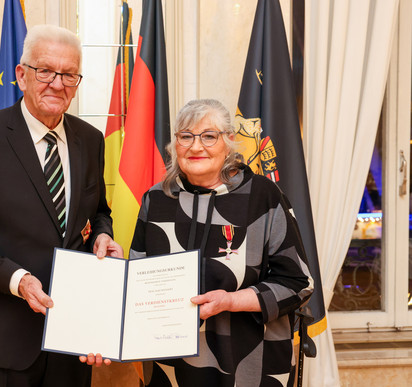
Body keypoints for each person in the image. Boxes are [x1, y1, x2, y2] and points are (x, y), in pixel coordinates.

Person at [0, 24, 122, 387]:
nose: (57, 83)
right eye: (46, 71)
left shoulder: (91, 139)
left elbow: (99, 210)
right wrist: (18, 280)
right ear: (22, 75)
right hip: (4, 339)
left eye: (69, 74)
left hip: (73, 336)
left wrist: (102, 234)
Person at [129, 99, 313, 387]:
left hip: (249, 361)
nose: (195, 146)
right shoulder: (157, 199)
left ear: (229, 142)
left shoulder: (263, 197)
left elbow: (298, 283)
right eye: (185, 136)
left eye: (209, 136)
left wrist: (231, 301)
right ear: (174, 145)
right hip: (171, 363)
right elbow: (137, 281)